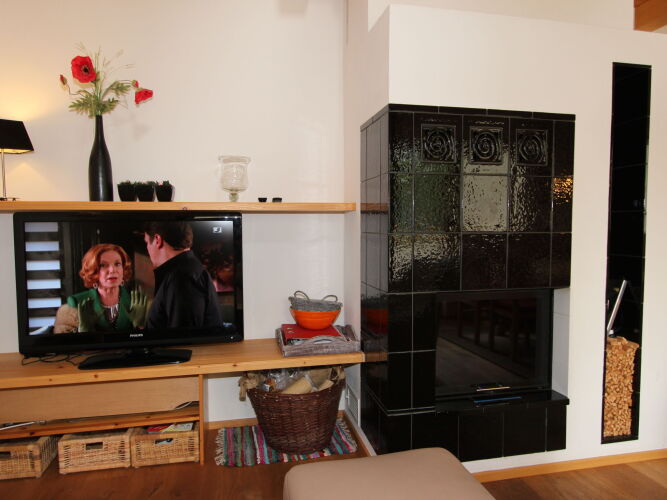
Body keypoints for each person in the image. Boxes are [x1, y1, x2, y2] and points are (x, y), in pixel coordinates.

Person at [53, 243, 149, 333]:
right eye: (103, 265)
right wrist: (84, 331)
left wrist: (139, 327)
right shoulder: (74, 305)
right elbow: (65, 344)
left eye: (117, 264)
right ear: (93, 271)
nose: (112, 270)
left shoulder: (141, 303)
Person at [143, 221, 223, 329]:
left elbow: (182, 336)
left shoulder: (181, 278)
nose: (147, 248)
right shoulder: (184, 271)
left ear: (157, 240)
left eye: (147, 243)